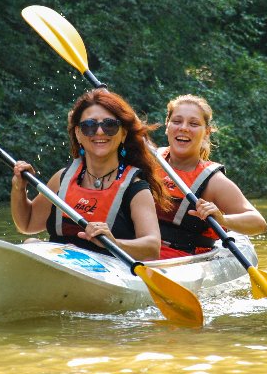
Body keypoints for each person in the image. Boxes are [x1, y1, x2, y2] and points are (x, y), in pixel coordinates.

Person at [10, 89, 169, 261]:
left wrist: (114, 243)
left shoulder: (136, 189)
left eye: (110, 125)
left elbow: (153, 248)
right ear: (78, 133)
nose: (99, 132)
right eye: (89, 126)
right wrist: (19, 188)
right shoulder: (62, 178)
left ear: (123, 134)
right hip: (59, 265)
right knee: (31, 242)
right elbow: (27, 223)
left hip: (106, 274)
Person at [155, 94, 267, 259]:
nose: (183, 128)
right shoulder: (148, 160)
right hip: (135, 250)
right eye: (177, 121)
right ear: (167, 126)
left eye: (193, 124)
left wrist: (223, 220)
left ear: (206, 133)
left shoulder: (213, 182)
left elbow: (258, 223)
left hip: (180, 258)